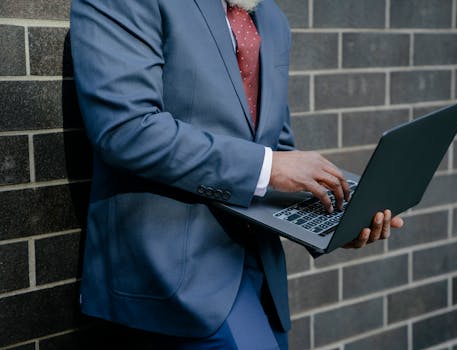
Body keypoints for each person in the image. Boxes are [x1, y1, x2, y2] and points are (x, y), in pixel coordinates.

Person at [70, 0, 403, 348]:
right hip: (174, 279)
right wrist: (268, 166)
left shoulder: (270, 19)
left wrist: (333, 220)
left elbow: (276, 148)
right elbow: (127, 129)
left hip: (261, 272)